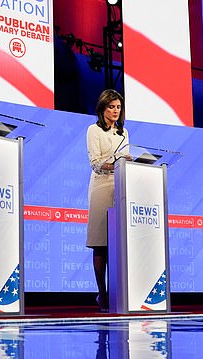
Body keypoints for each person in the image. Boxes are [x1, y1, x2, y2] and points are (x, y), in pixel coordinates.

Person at [86, 89, 129, 311]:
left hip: (120, 188)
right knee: (101, 244)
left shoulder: (123, 133)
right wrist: (116, 161)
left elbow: (126, 160)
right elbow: (95, 163)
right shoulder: (94, 130)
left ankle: (117, 292)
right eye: (111, 106)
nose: (115, 111)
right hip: (102, 187)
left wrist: (126, 163)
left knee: (118, 244)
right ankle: (102, 294)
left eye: (118, 107)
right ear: (103, 108)